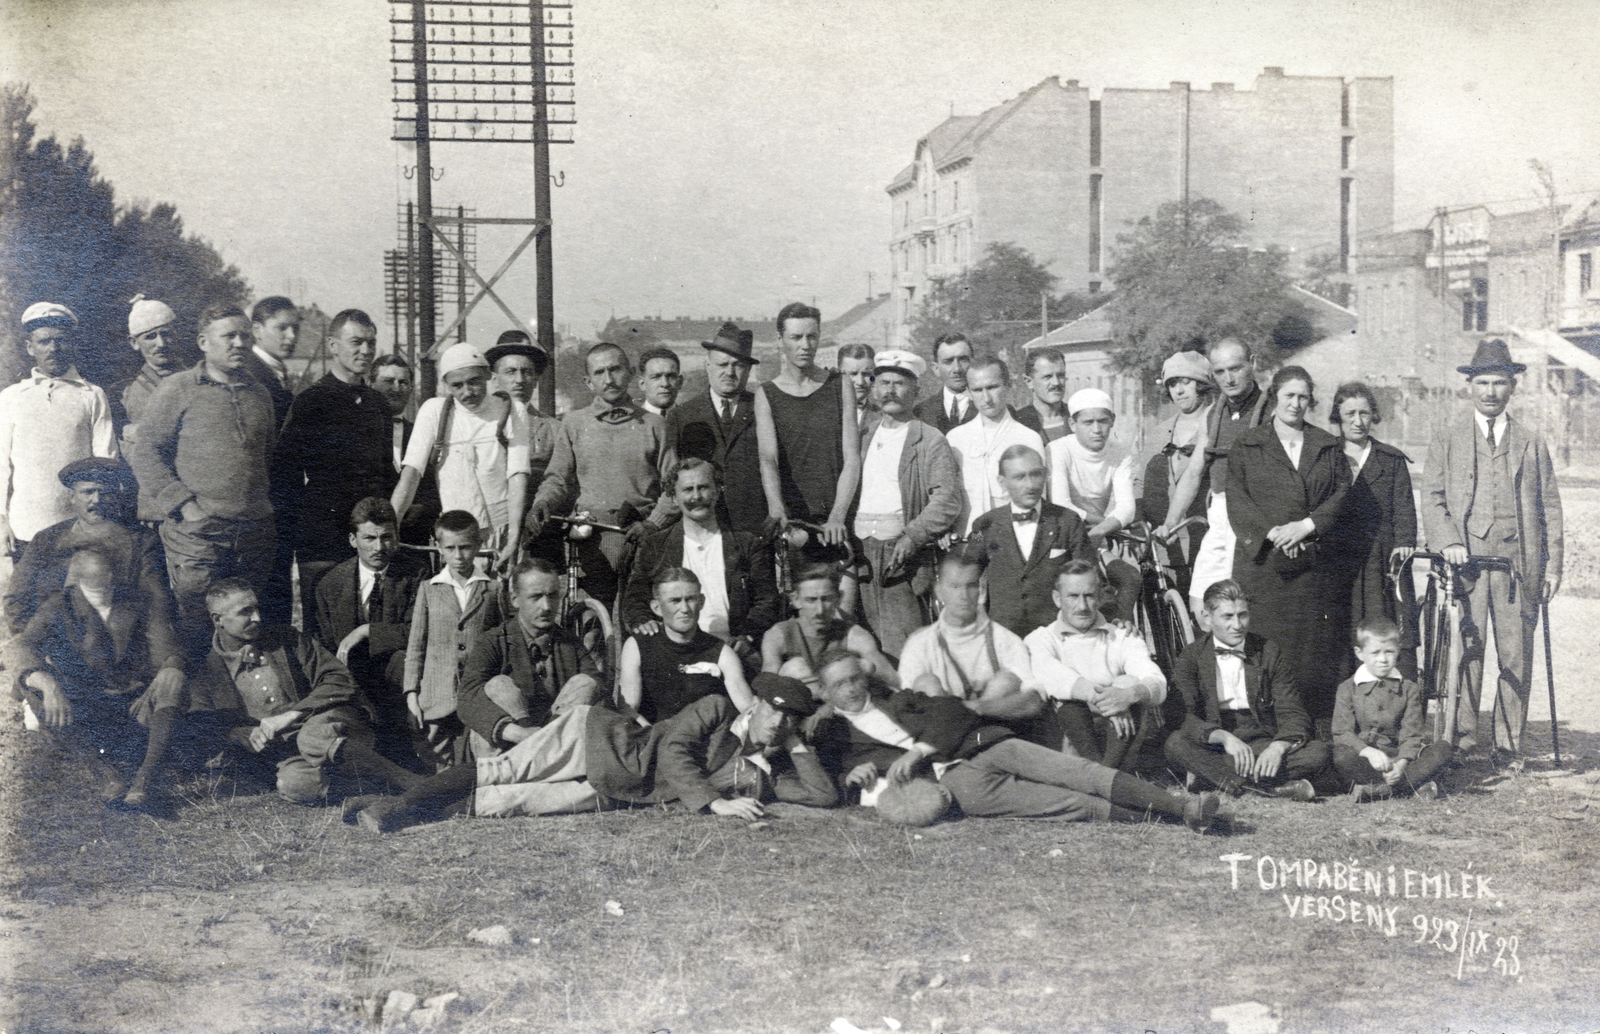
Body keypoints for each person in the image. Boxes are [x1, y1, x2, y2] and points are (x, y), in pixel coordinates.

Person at [344, 672, 836, 832]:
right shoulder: (716, 708)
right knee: (499, 772)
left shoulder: (761, 772)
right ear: (759, 706)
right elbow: (674, 755)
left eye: (792, 724)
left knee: (511, 804)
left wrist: (795, 747)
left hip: (619, 791)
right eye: (779, 719)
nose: (782, 728)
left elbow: (822, 796)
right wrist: (715, 802)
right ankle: (398, 811)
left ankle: (386, 796)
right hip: (597, 739)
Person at [814, 649, 1220, 830]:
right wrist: (855, 777)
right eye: (839, 684)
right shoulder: (837, 737)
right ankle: (1170, 821)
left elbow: (956, 710)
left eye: (854, 678)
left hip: (985, 744)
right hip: (958, 786)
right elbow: (841, 783)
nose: (850, 689)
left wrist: (920, 749)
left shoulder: (900, 699)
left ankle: (1182, 807)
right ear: (826, 691)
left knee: (1078, 771)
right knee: (1070, 805)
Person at [1421, 338, 1562, 765]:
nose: (1490, 392)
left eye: (1499, 382)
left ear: (1513, 386)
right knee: (1467, 650)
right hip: (1466, 566)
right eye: (1483, 382)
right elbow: (1433, 497)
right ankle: (1462, 740)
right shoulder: (1447, 439)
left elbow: (1549, 507)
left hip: (1518, 566)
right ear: (1470, 385)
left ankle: (1507, 745)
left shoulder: (1531, 442)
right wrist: (1449, 541)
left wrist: (1552, 566)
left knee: (1515, 653)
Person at [182, 578, 423, 804]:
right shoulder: (207, 673)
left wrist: (294, 713)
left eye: (256, 608)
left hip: (334, 723)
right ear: (217, 620)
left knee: (313, 736)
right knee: (294, 784)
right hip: (289, 751)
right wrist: (237, 733)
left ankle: (415, 784)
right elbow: (201, 728)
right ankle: (379, 785)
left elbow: (339, 678)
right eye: (245, 612)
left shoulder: (287, 640)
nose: (257, 617)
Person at [129, 302, 278, 658]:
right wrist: (186, 507)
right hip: (198, 535)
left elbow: (265, 458)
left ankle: (249, 706)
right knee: (196, 624)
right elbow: (146, 452)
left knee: (249, 624)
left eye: (245, 335)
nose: (239, 343)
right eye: (229, 336)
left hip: (254, 533)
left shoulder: (260, 394)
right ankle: (203, 710)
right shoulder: (178, 388)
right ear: (203, 342)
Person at [3, 548, 186, 809]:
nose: (107, 585)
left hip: (135, 704)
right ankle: (103, 773)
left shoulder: (137, 600)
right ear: (77, 580)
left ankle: (145, 778)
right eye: (96, 582)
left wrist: (170, 666)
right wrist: (47, 682)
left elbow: (168, 647)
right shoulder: (58, 606)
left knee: (174, 678)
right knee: (36, 688)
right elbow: (20, 647)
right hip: (87, 710)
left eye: (110, 578)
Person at [1226, 365, 1351, 733]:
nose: (1296, 404)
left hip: (1312, 565)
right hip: (1265, 566)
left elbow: (1341, 493)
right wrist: (1272, 534)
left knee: (1311, 651)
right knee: (1265, 648)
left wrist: (1307, 526)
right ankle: (1264, 728)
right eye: (1289, 396)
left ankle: (1312, 729)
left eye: (1303, 397)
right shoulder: (1247, 445)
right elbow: (1237, 497)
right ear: (1275, 398)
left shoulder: (1327, 446)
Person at [271, 309, 391, 627]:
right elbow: (286, 472)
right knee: (325, 626)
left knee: (370, 622)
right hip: (323, 535)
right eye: (356, 342)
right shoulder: (311, 402)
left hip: (368, 534)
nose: (365, 350)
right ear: (333, 345)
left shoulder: (378, 404)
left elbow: (384, 471)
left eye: (371, 342)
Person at [1164, 580, 1331, 799]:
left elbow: (1292, 712)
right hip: (1218, 742)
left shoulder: (1268, 652)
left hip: (1262, 739)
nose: (1237, 625)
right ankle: (1268, 787)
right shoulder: (1192, 656)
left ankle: (1223, 779)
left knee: (1318, 752)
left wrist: (1277, 748)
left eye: (1242, 615)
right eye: (1227, 616)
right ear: (1207, 617)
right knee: (1176, 745)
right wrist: (1222, 737)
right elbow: (1181, 714)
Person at [540, 343, 673, 607]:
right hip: (592, 540)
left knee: (640, 615)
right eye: (600, 373)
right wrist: (542, 503)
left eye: (615, 369)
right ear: (588, 382)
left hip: (640, 534)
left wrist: (653, 523)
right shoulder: (574, 424)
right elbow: (557, 479)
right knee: (591, 623)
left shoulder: (655, 425)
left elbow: (673, 487)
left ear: (631, 373)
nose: (609, 379)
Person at [853, 349, 964, 657]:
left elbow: (946, 500)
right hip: (860, 555)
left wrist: (913, 536)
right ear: (875, 388)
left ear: (916, 391)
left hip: (901, 558)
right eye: (884, 382)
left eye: (900, 384)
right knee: (863, 646)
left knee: (905, 646)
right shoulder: (862, 434)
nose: (890, 390)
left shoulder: (929, 439)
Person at [620, 458, 778, 667]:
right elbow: (635, 598)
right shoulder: (655, 545)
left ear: (718, 491)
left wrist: (746, 637)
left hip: (734, 652)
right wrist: (643, 622)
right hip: (676, 654)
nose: (696, 497)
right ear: (674, 498)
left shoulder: (747, 544)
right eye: (688, 490)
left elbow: (767, 601)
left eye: (703, 487)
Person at [313, 497, 427, 770]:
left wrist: (367, 631)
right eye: (369, 538)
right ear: (353, 540)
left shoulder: (415, 574)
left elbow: (419, 631)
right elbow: (322, 644)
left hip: (396, 674)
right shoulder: (329, 584)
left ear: (397, 538)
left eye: (387, 537)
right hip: (349, 677)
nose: (379, 547)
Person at [392, 342, 529, 570]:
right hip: (455, 533)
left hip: (502, 527)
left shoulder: (511, 409)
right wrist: (392, 526)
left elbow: (518, 476)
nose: (467, 392)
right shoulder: (434, 411)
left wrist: (514, 539)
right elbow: (411, 474)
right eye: (457, 385)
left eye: (474, 381)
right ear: (445, 384)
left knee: (504, 599)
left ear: (487, 375)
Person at [453, 557, 607, 758]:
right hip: (506, 746)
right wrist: (519, 733)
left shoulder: (569, 643)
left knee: (585, 683)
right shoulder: (493, 641)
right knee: (499, 685)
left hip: (555, 743)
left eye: (552, 596)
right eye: (536, 597)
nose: (546, 606)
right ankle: (497, 783)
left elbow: (598, 689)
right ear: (515, 599)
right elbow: (467, 697)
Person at [5, 458, 175, 637]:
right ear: (72, 497)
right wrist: (33, 645)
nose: (97, 500)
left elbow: (157, 603)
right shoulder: (46, 539)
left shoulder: (143, 541)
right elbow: (16, 600)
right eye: (88, 492)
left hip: (118, 643)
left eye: (105, 492)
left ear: (116, 496)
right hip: (54, 642)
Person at [0, 302, 118, 559]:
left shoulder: (92, 395)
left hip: (79, 527)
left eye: (61, 341)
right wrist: (1, 520)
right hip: (26, 527)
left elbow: (106, 462)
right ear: (30, 347)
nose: (53, 348)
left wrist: (101, 521)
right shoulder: (11, 397)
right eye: (44, 342)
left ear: (72, 344)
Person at [1024, 561, 1166, 773]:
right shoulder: (1040, 639)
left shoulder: (1122, 636)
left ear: (1100, 596)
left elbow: (1156, 681)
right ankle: (1109, 779)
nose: (1082, 606)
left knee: (1128, 683)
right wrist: (1109, 701)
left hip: (1117, 740)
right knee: (1068, 703)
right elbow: (1054, 676)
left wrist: (1127, 695)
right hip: (1070, 742)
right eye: (1073, 596)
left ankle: (1104, 777)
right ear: (1057, 598)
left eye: (1089, 596)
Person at [1324, 382, 1417, 681]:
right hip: (1337, 560)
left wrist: (1403, 544)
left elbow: (1404, 509)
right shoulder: (1324, 456)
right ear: (1337, 416)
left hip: (1379, 560)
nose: (1357, 421)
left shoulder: (1390, 460)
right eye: (1349, 413)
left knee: (1381, 628)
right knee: (1338, 628)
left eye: (1364, 413)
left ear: (1373, 416)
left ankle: (1388, 696)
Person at [401, 511, 507, 767]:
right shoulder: (429, 589)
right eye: (450, 548)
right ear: (439, 548)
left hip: (478, 692)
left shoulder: (492, 589)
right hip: (436, 696)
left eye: (465, 547)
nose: (458, 556)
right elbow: (416, 646)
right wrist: (411, 693)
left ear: (479, 546)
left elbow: (503, 640)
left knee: (476, 755)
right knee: (438, 758)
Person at [754, 303, 861, 552]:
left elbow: (852, 458)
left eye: (812, 336)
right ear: (780, 339)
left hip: (838, 522)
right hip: (793, 525)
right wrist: (776, 507)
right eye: (796, 337)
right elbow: (768, 458)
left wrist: (837, 516)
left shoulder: (840, 384)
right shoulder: (766, 393)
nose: (805, 345)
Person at [1175, 338, 1270, 616]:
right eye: (1220, 372)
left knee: (1237, 605)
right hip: (1220, 512)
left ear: (1252, 363)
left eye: (1236, 368)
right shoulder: (1212, 415)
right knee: (1201, 603)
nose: (1228, 379)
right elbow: (1194, 472)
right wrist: (1171, 521)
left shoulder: (1272, 411)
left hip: (1258, 515)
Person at [898, 553, 1047, 724]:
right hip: (942, 734)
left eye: (971, 586)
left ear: (981, 590)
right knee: (926, 683)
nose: (963, 595)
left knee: (1006, 681)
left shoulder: (1006, 640)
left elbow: (1033, 701)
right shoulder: (919, 643)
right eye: (954, 586)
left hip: (994, 728)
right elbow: (903, 705)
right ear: (939, 591)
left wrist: (978, 708)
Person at [968, 444, 1090, 638]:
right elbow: (967, 573)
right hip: (1002, 636)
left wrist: (1111, 620)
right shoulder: (983, 525)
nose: (1031, 485)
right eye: (1019, 477)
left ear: (1045, 474)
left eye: (1036, 474)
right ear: (1002, 482)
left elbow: (1091, 576)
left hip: (1058, 634)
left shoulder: (1068, 521)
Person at [661, 322, 765, 533]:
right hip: (702, 528)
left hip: (755, 529)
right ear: (707, 365)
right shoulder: (682, 416)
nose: (730, 372)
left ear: (749, 370)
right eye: (722, 364)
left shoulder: (765, 410)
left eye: (738, 365)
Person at [1048, 387, 1140, 622]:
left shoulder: (1120, 452)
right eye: (1088, 422)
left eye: (1103, 421)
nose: (1097, 430)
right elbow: (1061, 504)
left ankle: (1122, 635)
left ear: (1112, 421)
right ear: (1072, 423)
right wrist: (1103, 523)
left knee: (1131, 579)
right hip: (1064, 540)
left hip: (1096, 541)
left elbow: (1127, 508)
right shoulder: (1058, 449)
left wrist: (1099, 531)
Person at [1333, 616, 1450, 801]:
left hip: (1398, 758)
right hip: (1364, 759)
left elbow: (1411, 734)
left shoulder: (1409, 689)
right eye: (1375, 653)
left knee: (1442, 750)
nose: (1383, 659)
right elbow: (1342, 732)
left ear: (1398, 651)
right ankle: (1409, 786)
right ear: (1359, 653)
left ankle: (1379, 790)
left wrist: (1402, 764)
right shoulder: (1348, 688)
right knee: (1340, 756)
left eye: (1389, 652)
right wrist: (1368, 752)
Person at [619, 568, 755, 724]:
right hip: (651, 736)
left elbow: (747, 709)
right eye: (675, 601)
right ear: (656, 607)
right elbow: (628, 708)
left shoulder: (721, 652)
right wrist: (654, 736)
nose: (684, 609)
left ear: (701, 602)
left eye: (690, 599)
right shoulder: (638, 646)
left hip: (702, 741)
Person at [485, 331, 565, 564]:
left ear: (536, 379)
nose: (519, 380)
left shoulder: (553, 429)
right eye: (510, 371)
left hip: (536, 540)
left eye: (527, 372)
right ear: (494, 377)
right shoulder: (479, 426)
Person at [946, 355, 1046, 539]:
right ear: (968, 392)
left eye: (992, 387)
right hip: (965, 541)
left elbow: (1039, 500)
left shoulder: (1028, 438)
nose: (986, 398)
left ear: (1008, 385)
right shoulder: (955, 439)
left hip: (1013, 540)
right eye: (977, 390)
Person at [761, 563, 897, 688]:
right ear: (796, 600)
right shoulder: (779, 635)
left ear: (838, 598)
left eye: (826, 599)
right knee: (795, 668)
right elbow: (767, 687)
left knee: (867, 666)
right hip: (801, 707)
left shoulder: (852, 634)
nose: (820, 610)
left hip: (844, 705)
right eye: (811, 600)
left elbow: (890, 678)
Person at [1146, 349, 1216, 590]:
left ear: (1202, 384)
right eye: (1173, 383)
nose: (1179, 390)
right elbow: (1141, 481)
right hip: (1166, 545)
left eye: (1186, 382)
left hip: (1206, 542)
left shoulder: (1217, 425)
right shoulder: (1159, 431)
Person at [370, 355, 440, 543]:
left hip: (413, 542)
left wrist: (423, 507)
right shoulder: (358, 432)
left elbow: (436, 489)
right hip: (370, 541)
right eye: (388, 381)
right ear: (371, 384)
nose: (396, 388)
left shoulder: (421, 434)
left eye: (403, 382)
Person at [112, 295, 186, 446]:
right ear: (134, 343)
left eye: (166, 334)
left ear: (176, 334)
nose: (161, 344)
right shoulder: (123, 393)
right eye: (150, 337)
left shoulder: (200, 379)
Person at [246, 296, 299, 430]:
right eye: (282, 328)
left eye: (295, 328)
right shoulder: (248, 373)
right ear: (257, 330)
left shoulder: (277, 369)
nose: (292, 335)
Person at [912, 333, 976, 435]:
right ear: (936, 369)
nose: (957, 369)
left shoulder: (993, 407)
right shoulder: (920, 412)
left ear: (973, 363)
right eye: (948, 361)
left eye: (963, 360)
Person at [1019, 349, 1071, 445]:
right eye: (1047, 377)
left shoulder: (1078, 417)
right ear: (1029, 382)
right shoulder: (1018, 422)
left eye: (1060, 375)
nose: (1056, 383)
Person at [637, 346, 684, 417]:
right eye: (656, 377)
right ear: (642, 384)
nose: (665, 384)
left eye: (671, 376)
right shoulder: (631, 421)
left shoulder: (693, 421)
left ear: (680, 382)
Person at [837, 342, 876, 411]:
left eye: (866, 374)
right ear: (839, 374)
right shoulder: (824, 409)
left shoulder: (884, 412)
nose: (860, 382)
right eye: (853, 374)